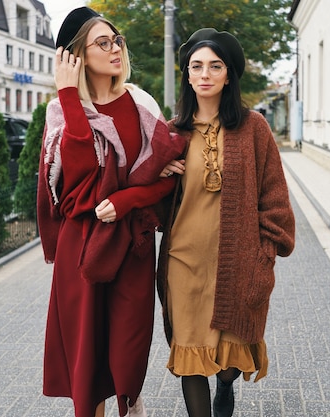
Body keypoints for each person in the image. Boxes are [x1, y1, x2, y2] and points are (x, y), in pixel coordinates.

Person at [36, 7, 185, 417]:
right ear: (76, 57)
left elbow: (168, 178)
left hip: (132, 245)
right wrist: (68, 96)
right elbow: (76, 193)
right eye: (103, 42)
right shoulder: (61, 112)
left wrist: (125, 200)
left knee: (128, 350)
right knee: (88, 357)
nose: (115, 48)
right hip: (81, 250)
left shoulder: (140, 104)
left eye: (116, 39)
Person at [156, 28, 296, 417]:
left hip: (236, 262)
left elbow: (275, 198)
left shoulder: (253, 129)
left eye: (214, 66)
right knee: (190, 354)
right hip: (184, 262)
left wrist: (265, 256)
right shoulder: (172, 132)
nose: (204, 74)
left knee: (231, 362)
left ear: (228, 74)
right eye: (196, 66)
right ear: (186, 75)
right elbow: (151, 204)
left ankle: (227, 385)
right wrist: (160, 172)